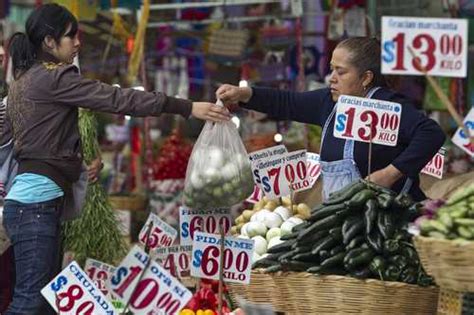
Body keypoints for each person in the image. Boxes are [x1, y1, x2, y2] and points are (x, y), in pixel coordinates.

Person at [2, 4, 230, 314]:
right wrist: (185, 107)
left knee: (41, 302)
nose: (78, 43)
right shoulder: (52, 78)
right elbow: (116, 97)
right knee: (29, 302)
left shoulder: (24, 80)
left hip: (30, 203)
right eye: (71, 37)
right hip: (36, 206)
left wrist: (76, 165)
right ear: (49, 42)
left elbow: (37, 143)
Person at [217, 37, 445, 202]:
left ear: (366, 78)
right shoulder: (329, 102)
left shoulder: (388, 105)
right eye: (331, 69)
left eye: (341, 72)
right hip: (344, 225)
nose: (332, 78)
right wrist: (244, 94)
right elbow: (288, 102)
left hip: (392, 221)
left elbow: (431, 133)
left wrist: (390, 173)